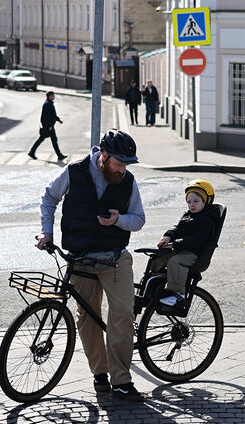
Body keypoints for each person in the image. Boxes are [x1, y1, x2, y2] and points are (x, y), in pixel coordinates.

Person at [36, 130, 147, 401]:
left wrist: (119, 219)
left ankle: (121, 381)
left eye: (126, 165)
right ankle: (100, 373)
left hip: (114, 256)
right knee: (87, 315)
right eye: (119, 164)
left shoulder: (128, 181)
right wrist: (46, 232)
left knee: (121, 313)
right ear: (103, 157)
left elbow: (139, 219)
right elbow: (49, 197)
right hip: (81, 257)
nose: (122, 170)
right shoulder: (74, 172)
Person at [153, 179, 218, 307]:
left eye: (196, 201)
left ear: (206, 201)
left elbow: (196, 239)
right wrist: (168, 236)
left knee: (175, 262)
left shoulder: (207, 220)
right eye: (189, 202)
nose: (191, 205)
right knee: (159, 258)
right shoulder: (189, 215)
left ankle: (178, 294)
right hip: (183, 249)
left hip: (195, 253)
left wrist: (175, 244)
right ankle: (155, 288)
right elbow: (178, 229)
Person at [28, 91, 65, 161]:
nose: (54, 97)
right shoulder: (47, 104)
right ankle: (59, 155)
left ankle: (32, 152)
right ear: (50, 96)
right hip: (48, 127)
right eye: (53, 95)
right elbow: (45, 117)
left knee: (48, 140)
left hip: (49, 126)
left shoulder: (49, 103)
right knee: (51, 140)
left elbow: (52, 115)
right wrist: (50, 126)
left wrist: (58, 120)